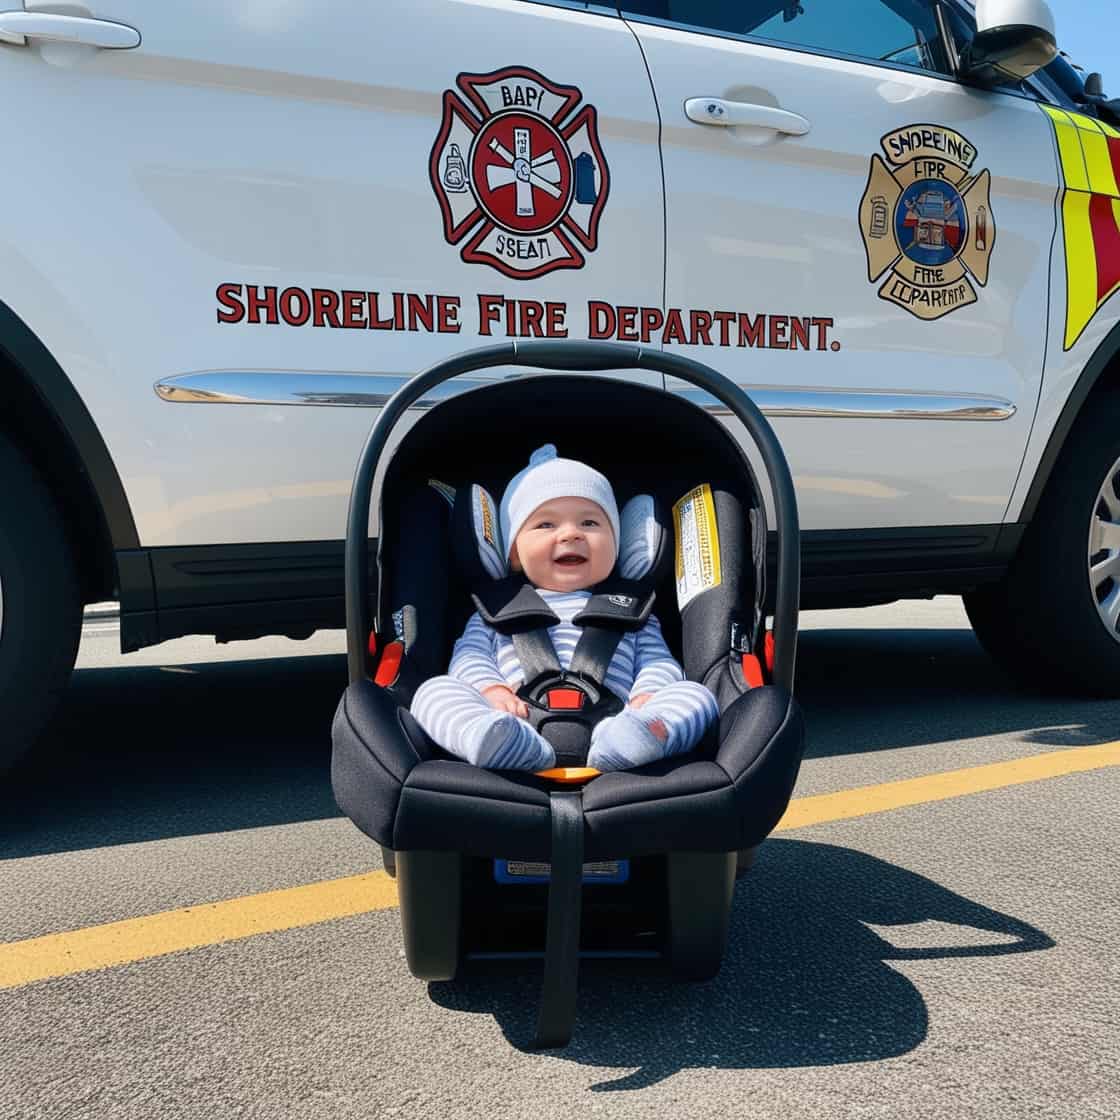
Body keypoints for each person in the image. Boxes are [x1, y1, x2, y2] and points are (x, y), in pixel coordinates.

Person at [410, 445, 719, 772]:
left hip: (617, 721)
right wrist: (491, 689)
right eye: (545, 525)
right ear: (514, 552)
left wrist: (647, 697)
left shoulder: (635, 611)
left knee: (696, 695)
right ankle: (494, 740)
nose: (571, 534)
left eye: (589, 523)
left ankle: (635, 741)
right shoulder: (494, 610)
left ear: (616, 546)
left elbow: (658, 662)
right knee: (432, 692)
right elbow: (469, 658)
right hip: (513, 718)